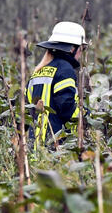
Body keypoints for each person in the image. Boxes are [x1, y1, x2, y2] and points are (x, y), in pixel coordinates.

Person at [26, 21, 87, 149]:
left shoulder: (38, 71)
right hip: (55, 144)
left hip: (35, 145)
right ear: (72, 49)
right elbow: (66, 108)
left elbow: (27, 110)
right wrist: (87, 114)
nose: (82, 53)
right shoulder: (65, 70)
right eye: (82, 49)